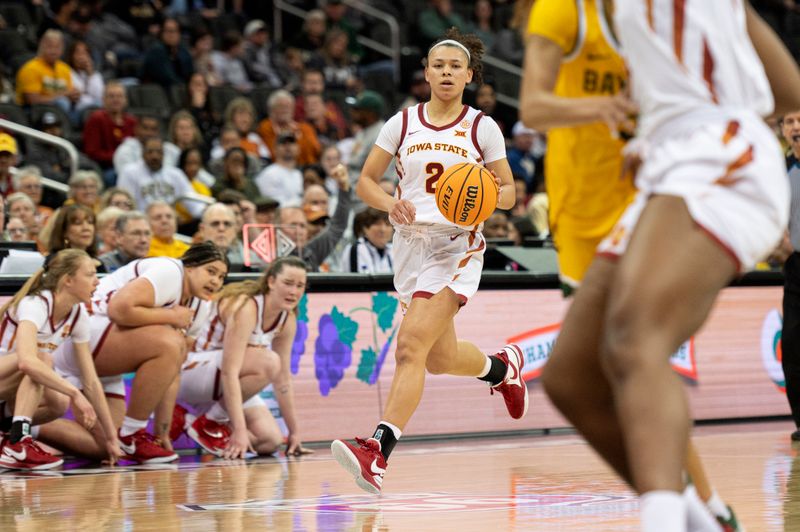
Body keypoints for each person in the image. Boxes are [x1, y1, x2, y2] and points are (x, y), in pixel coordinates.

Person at [538, 2, 800, 531]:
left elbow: (788, 94)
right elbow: (790, 90)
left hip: (723, 153)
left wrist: (719, 109)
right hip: (669, 162)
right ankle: (706, 521)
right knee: (571, 375)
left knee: (635, 340)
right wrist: (657, 132)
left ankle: (663, 521)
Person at [518, 0, 737, 526]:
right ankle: (699, 506)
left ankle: (700, 507)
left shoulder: (662, 19)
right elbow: (532, 108)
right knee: (611, 372)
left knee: (639, 359)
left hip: (648, 202)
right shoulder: (563, 13)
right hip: (581, 216)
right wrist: (601, 108)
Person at [330, 29, 523, 494]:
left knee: (410, 347)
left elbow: (512, 193)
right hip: (410, 246)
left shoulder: (483, 128)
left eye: (455, 67)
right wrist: (387, 204)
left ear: (469, 76)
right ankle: (501, 369)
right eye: (438, 65)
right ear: (426, 72)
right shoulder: (401, 123)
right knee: (438, 358)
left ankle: (376, 451)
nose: (446, 73)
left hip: (455, 247)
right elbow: (366, 183)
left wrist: (484, 194)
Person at [45, 242, 229, 463]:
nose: (215, 281)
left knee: (108, 448)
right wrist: (171, 317)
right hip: (81, 333)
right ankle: (132, 434)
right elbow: (119, 309)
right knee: (169, 342)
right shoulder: (171, 271)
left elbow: (173, 371)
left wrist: (163, 433)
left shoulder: (200, 307)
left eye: (221, 277)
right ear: (190, 266)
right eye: (211, 271)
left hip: (106, 356)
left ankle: (23, 429)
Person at [172, 257, 312, 458]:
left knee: (269, 441)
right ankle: (209, 424)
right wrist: (237, 430)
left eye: (300, 286)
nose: (294, 291)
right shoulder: (247, 307)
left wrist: (295, 432)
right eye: (288, 283)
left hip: (221, 382)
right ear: (271, 282)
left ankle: (188, 421)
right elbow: (230, 371)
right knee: (269, 361)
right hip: (191, 371)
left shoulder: (287, 318)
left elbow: (283, 380)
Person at [0, 249, 123, 469]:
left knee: (58, 403)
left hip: (6, 392)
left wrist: (111, 437)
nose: (97, 281)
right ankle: (18, 442)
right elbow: (27, 362)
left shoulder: (77, 315)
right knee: (42, 361)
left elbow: (91, 381)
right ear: (68, 280)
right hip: (6, 375)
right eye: (90, 274)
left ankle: (10, 435)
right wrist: (75, 393)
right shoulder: (35, 304)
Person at [781, 108, 800, 440]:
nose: (795, 127)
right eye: (789, 121)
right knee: (794, 344)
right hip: (795, 265)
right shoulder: (776, 172)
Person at [83, 82, 137, 182]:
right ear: (103, 100)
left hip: (130, 165)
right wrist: (119, 157)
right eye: (111, 96)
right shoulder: (96, 119)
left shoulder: (131, 121)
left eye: (120, 96)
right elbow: (92, 152)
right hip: (106, 168)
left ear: (125, 100)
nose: (116, 100)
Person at [341, 207, 393, 273]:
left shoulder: (393, 250)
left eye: (387, 224)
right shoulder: (356, 249)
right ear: (365, 228)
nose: (383, 229)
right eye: (377, 224)